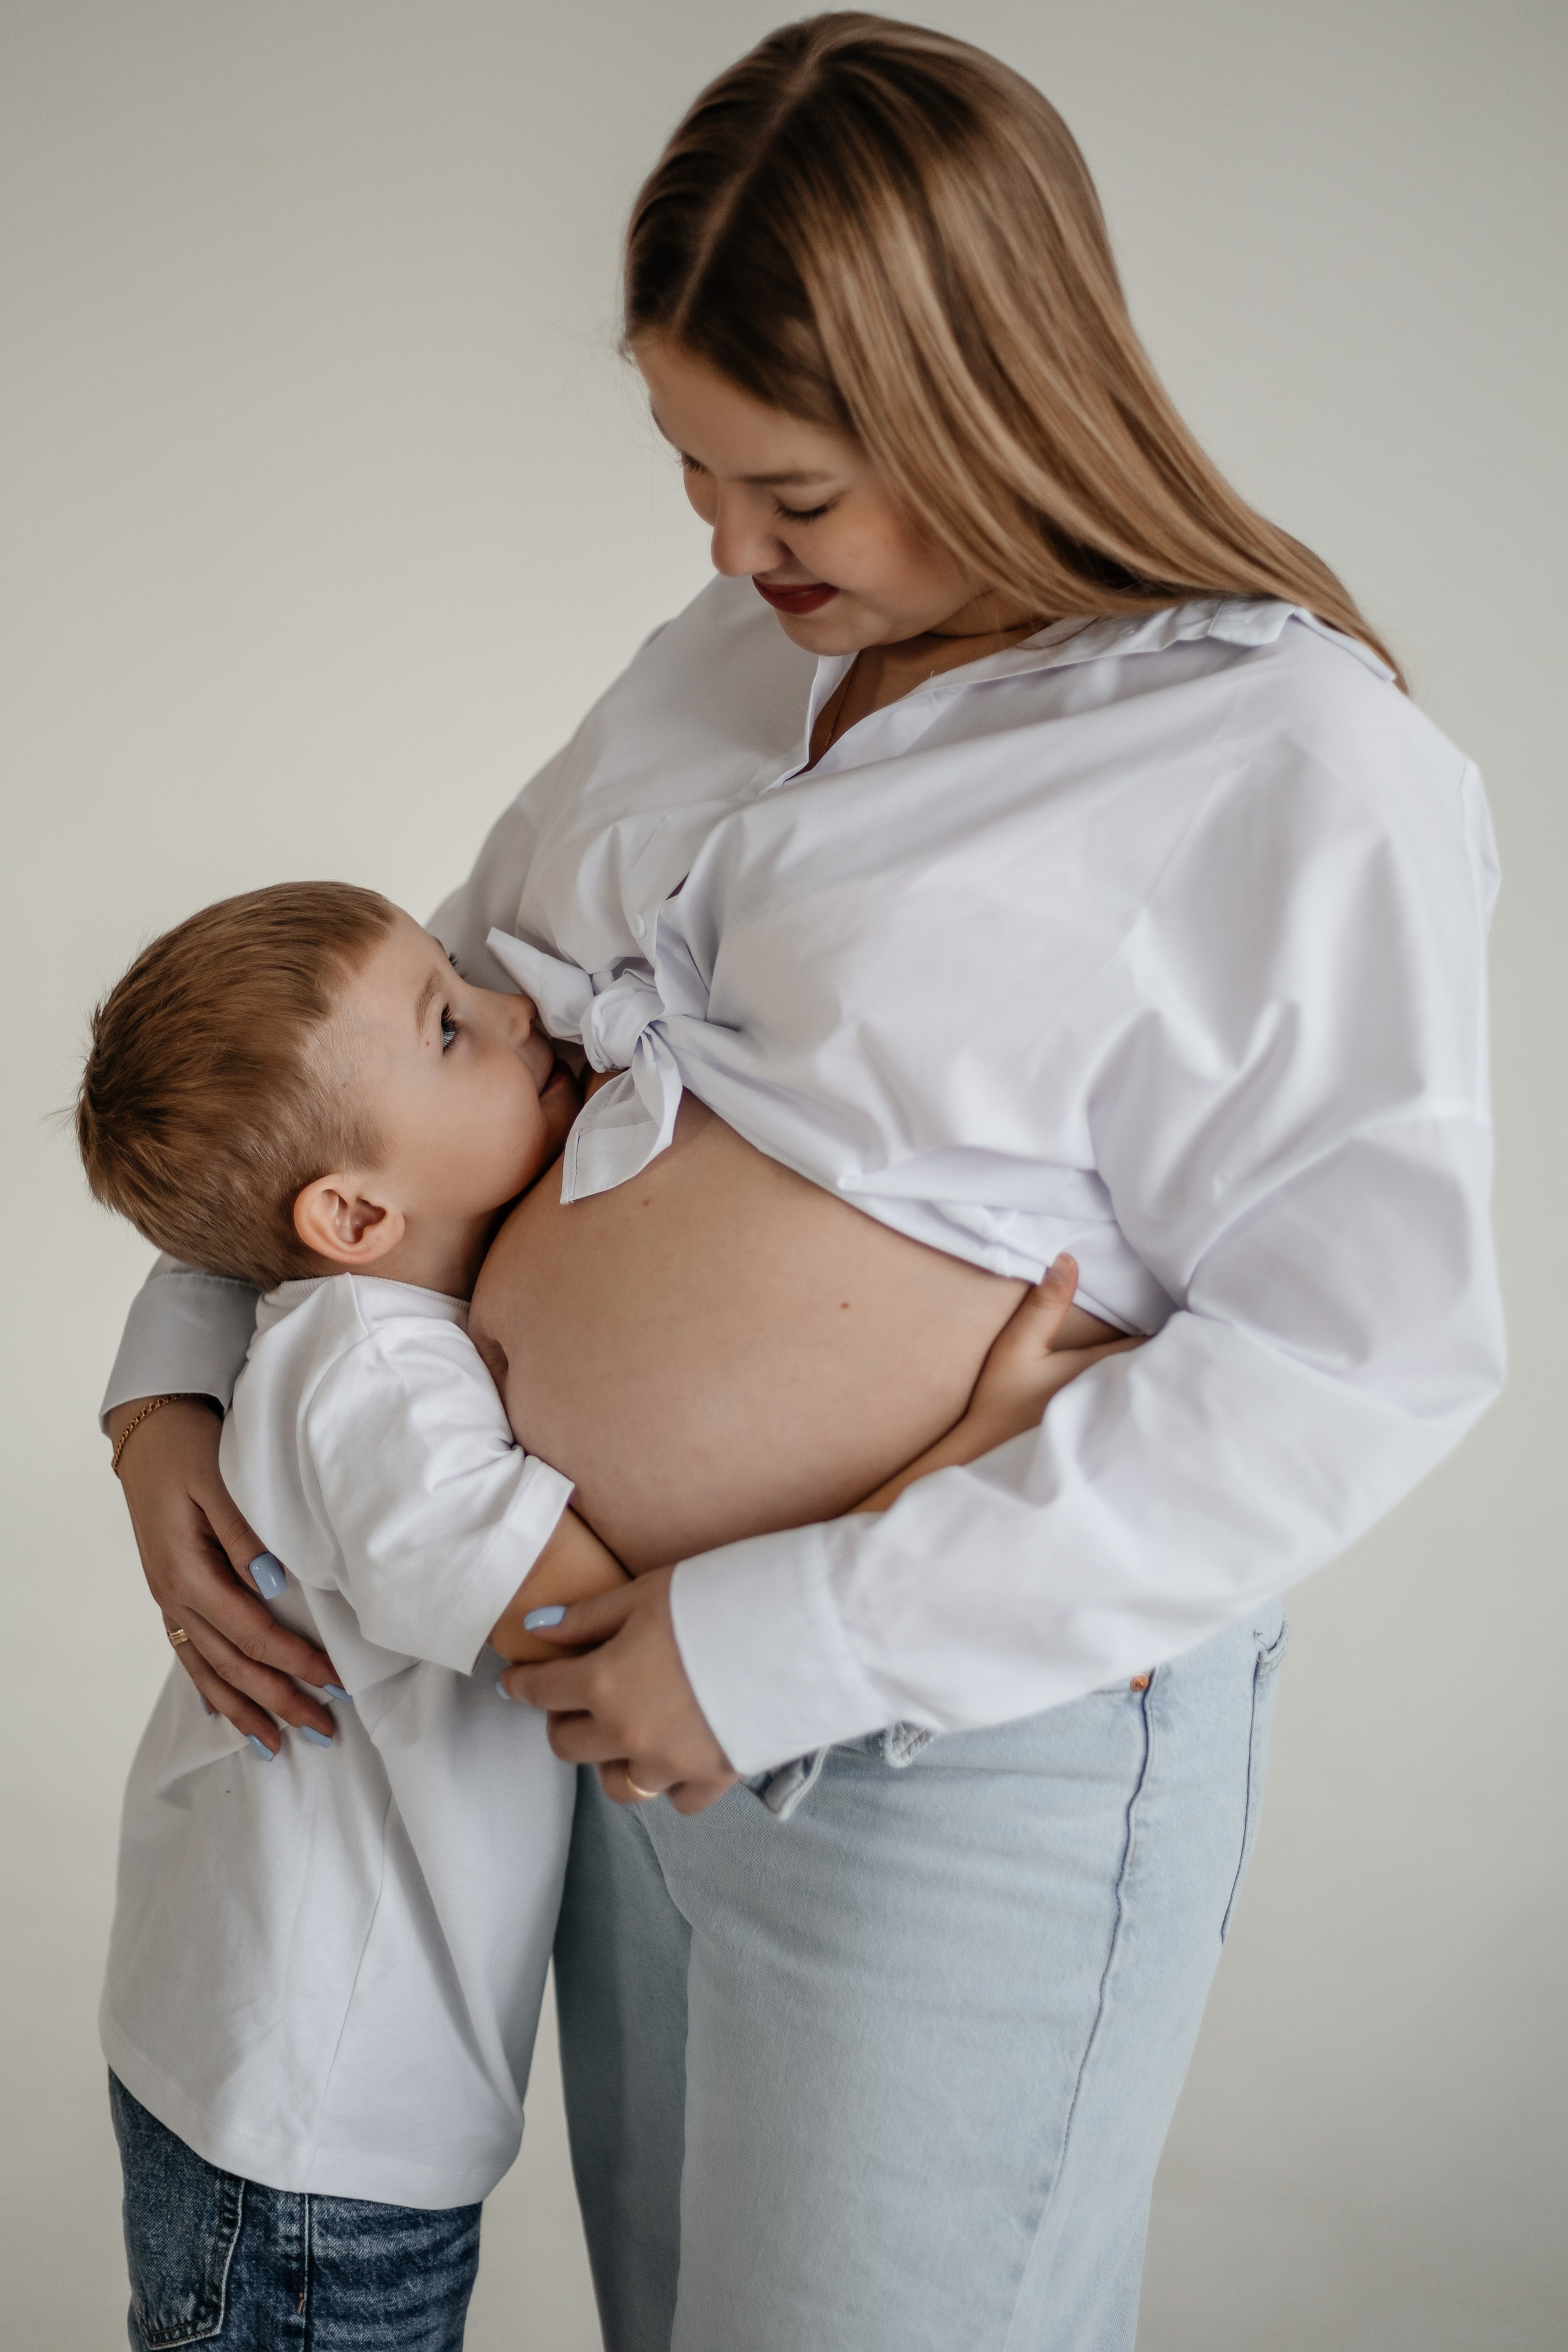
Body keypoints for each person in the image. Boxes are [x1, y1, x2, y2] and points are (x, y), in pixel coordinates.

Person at [100, 17, 1504, 2350]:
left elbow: (1357, 1360)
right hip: (601, 1712)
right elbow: (383, 1026)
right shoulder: (735, 656)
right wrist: (173, 1383)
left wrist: (788, 1645)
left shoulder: (1293, 758)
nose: (735, 550)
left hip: (946, 1733)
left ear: (997, 404)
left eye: (797, 492)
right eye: (691, 473)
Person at [81, 877, 1113, 2350]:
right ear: (354, 1211)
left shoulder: (362, 1320)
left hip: (299, 2093)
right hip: (307, 2134)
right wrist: (967, 1457)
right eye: (451, 1025)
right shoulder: (372, 1399)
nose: (516, 1006)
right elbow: (604, 1665)